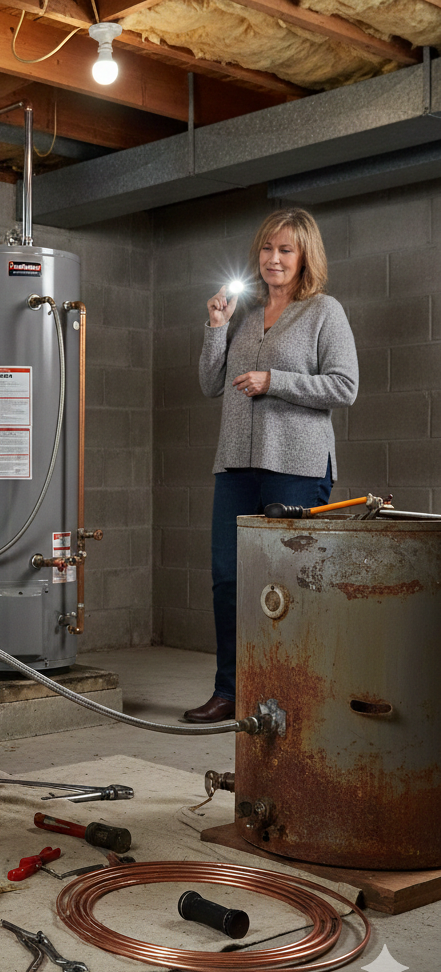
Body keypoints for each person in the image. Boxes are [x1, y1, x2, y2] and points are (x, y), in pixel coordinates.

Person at [185, 209, 358, 723]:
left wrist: (274, 380)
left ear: (305, 256)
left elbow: (344, 386)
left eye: (285, 250)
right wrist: (216, 327)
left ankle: (294, 693)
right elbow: (209, 383)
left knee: (291, 580)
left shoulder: (324, 311)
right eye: (266, 248)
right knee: (226, 579)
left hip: (297, 467)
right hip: (236, 464)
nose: (273, 258)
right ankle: (230, 691)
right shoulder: (243, 312)